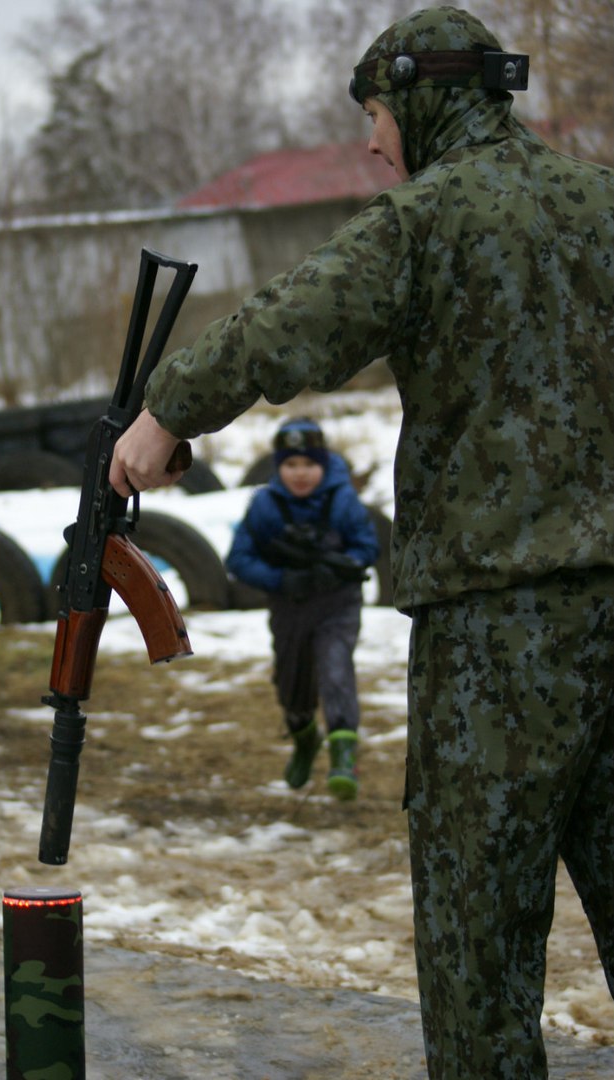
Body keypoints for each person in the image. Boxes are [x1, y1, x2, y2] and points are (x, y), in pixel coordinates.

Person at [110, 6, 614, 1077]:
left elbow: (291, 319)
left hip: (498, 633)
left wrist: (165, 415)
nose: (370, 143)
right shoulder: (601, 201)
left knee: (480, 944)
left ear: (420, 101)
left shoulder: (426, 220)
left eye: (377, 115)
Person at [225, 416, 379, 800]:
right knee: (292, 685)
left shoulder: (343, 500)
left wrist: (341, 566)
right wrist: (281, 579)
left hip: (337, 604)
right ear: (278, 466)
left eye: (308, 463)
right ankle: (305, 739)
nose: (300, 473)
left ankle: (344, 759)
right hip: (289, 607)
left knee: (335, 669)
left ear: (323, 464)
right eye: (290, 464)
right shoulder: (265, 506)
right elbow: (239, 559)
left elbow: (369, 547)